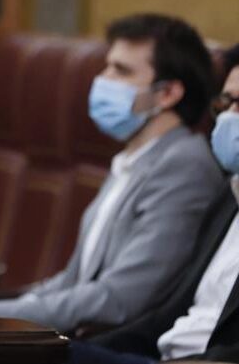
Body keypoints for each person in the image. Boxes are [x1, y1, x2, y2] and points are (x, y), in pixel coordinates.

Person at [0, 14, 224, 332]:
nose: (103, 79)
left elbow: (122, 297)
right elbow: (74, 280)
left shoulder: (183, 167)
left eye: (121, 71)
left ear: (167, 94)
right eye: (107, 65)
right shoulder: (132, 158)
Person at [70, 43, 239, 363]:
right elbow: (171, 314)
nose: (229, 118)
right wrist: (66, 349)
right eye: (226, 103)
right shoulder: (229, 196)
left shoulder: (184, 167)